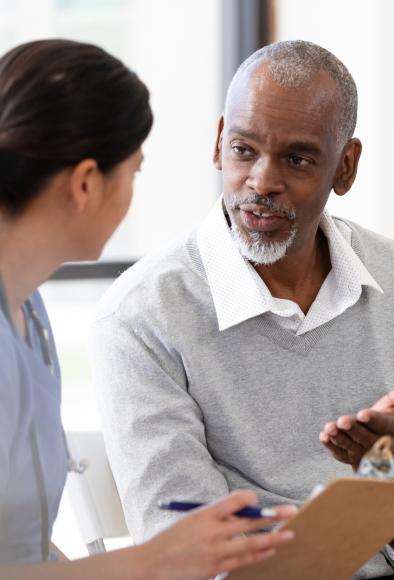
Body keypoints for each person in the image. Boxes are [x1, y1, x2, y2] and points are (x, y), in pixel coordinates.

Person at [91, 40, 394, 579]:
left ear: (346, 166)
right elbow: (182, 551)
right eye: (244, 150)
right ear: (219, 142)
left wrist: (390, 476)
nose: (262, 182)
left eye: (296, 159)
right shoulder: (142, 315)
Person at [0, 39, 296, 580]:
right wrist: (149, 563)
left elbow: (22, 554)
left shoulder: (30, 317)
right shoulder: (131, 315)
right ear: (86, 183)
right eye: (133, 172)